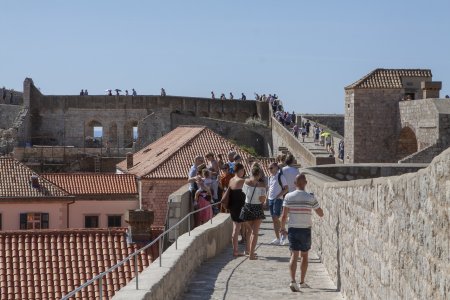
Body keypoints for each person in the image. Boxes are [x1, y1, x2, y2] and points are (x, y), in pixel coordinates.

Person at [280, 174, 323, 292]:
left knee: (294, 255)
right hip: (305, 229)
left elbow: (284, 216)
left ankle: (292, 281)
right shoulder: (310, 198)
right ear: (306, 183)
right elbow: (320, 213)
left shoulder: (288, 196)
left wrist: (282, 228)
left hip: (293, 229)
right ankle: (302, 282)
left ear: (294, 183)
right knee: (304, 255)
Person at [241, 165, 266, 260]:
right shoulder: (262, 184)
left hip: (247, 206)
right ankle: (251, 253)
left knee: (249, 231)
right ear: (259, 174)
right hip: (257, 207)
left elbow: (244, 193)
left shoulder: (246, 181)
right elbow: (262, 199)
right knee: (255, 233)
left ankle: (248, 250)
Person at [227, 163, 249, 257]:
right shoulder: (242, 181)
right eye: (243, 170)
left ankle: (235, 251)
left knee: (235, 229)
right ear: (239, 170)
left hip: (232, 207)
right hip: (241, 207)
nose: (243, 172)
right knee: (250, 229)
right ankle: (248, 250)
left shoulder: (231, 180)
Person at [266, 162, 288, 245]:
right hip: (270, 199)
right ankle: (278, 238)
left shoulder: (280, 176)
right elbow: (269, 189)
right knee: (273, 219)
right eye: (269, 168)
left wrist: (278, 196)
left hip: (278, 200)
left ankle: (283, 232)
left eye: (271, 168)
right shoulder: (270, 177)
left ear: (276, 167)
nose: (270, 170)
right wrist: (266, 199)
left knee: (276, 217)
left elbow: (286, 188)